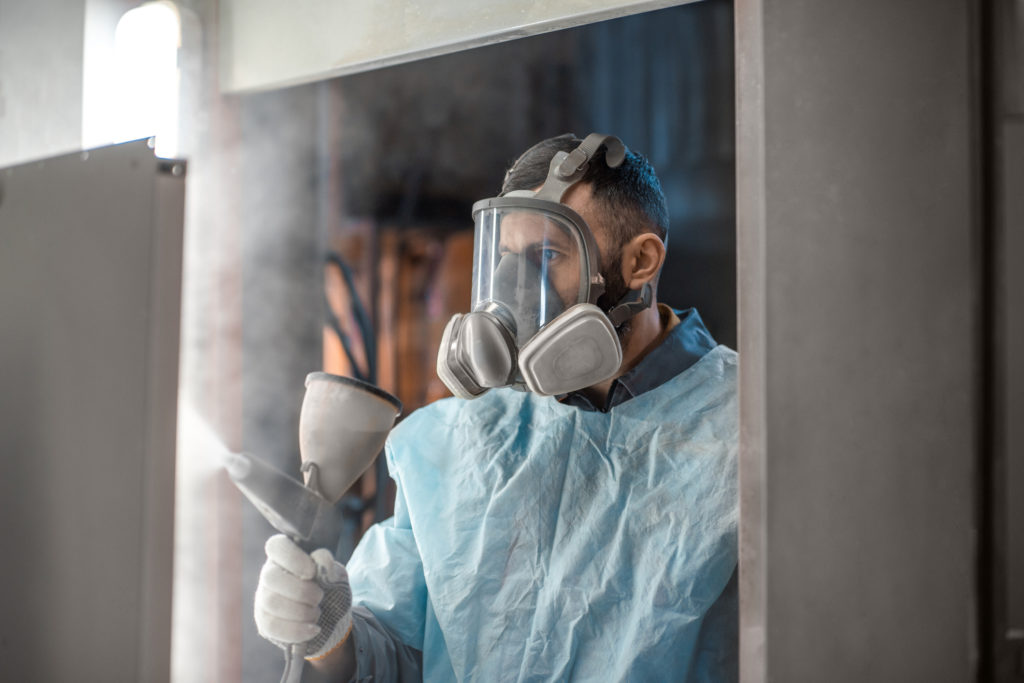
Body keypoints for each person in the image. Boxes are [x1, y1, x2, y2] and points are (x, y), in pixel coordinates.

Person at [254, 133, 738, 682]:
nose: (513, 289)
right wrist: (329, 633)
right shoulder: (468, 436)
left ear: (641, 262)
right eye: (505, 257)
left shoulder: (745, 431)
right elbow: (393, 654)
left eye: (547, 255)